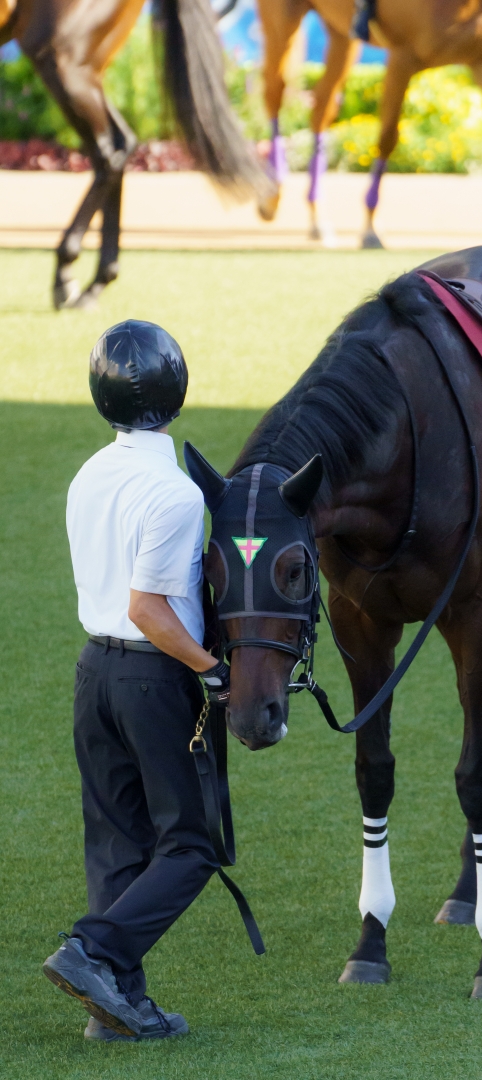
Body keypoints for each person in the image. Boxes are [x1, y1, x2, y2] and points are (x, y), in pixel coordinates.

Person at [42, 320, 231, 1042]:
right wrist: (211, 669)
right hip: (153, 679)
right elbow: (150, 610)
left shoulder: (89, 473)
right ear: (177, 392)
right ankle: (93, 952)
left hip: (93, 674)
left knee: (118, 841)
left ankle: (115, 1011)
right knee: (190, 847)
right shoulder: (178, 496)